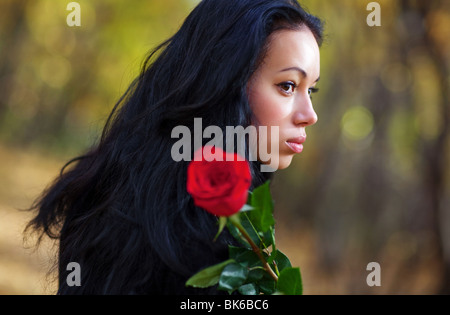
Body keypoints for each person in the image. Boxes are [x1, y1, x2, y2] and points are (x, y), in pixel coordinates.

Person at [26, 0, 323, 294]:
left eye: (311, 90)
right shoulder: (196, 254)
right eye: (288, 86)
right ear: (226, 83)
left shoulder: (117, 190)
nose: (310, 115)